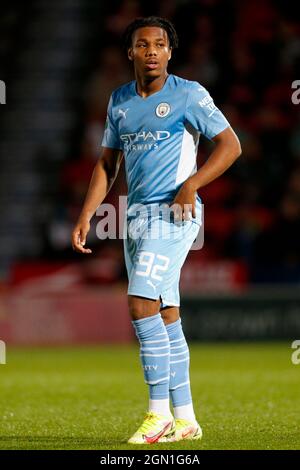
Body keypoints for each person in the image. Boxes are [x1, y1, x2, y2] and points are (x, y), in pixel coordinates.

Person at [71, 16, 241, 444]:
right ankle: (186, 419)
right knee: (166, 315)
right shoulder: (120, 101)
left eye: (160, 44)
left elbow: (231, 144)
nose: (151, 50)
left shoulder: (189, 94)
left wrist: (192, 184)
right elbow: (108, 164)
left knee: (139, 303)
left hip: (176, 216)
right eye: (143, 44)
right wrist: (87, 214)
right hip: (136, 218)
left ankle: (157, 413)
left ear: (170, 52)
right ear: (130, 52)